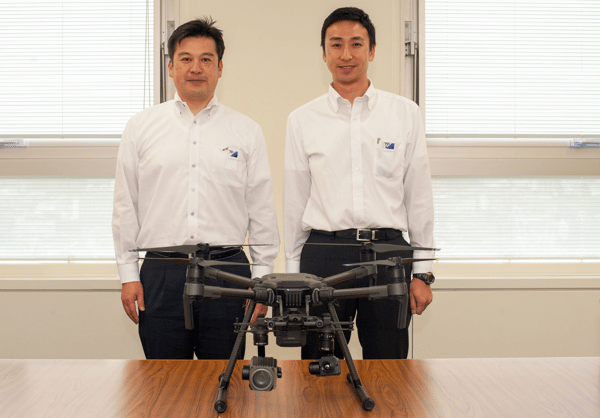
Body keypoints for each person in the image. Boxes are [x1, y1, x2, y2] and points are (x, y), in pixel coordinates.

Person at [112, 18, 279, 360]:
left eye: (206, 59)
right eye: (186, 59)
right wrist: (128, 274)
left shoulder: (246, 131)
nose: (196, 68)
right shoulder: (141, 127)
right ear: (171, 67)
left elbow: (261, 209)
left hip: (229, 274)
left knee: (224, 380)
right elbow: (125, 205)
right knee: (163, 381)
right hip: (161, 273)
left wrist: (262, 280)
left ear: (220, 67)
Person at [283, 7, 434, 360]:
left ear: (372, 50)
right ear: (324, 53)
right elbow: (294, 204)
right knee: (321, 368)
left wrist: (423, 272)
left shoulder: (405, 114)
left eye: (356, 44)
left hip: (388, 255)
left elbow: (419, 198)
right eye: (336, 45)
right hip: (324, 254)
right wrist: (292, 280)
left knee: (389, 368)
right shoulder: (302, 120)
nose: (346, 54)